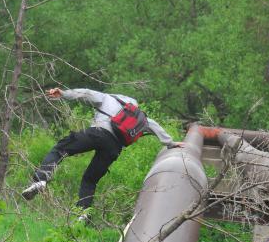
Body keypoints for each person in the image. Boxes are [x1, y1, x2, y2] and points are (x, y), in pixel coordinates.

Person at [22, 88, 182, 209]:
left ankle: (40, 180)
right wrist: (171, 143)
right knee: (90, 179)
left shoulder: (108, 98)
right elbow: (155, 127)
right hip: (113, 148)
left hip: (97, 133)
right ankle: (83, 214)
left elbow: (84, 93)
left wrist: (63, 93)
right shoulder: (139, 117)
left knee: (59, 150)